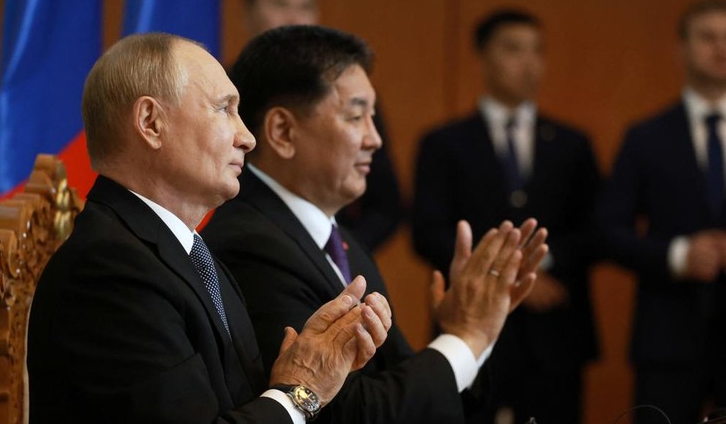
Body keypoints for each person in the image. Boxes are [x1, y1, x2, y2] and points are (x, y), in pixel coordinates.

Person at [26, 32, 395, 424]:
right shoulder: (108, 269)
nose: (248, 138)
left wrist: (315, 368)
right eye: (224, 109)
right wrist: (301, 391)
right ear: (151, 123)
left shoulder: (191, 254)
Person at [203, 24, 547, 423]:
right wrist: (466, 338)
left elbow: (404, 386)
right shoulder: (249, 245)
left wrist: (462, 333)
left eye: (374, 117)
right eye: (356, 116)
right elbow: (345, 411)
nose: (375, 139)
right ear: (282, 131)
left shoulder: (340, 238)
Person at [412, 10, 600, 424]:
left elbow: (596, 230)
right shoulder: (444, 143)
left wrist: (537, 265)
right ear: (483, 56)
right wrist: (503, 274)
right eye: (513, 49)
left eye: (538, 50)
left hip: (556, 332)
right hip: (471, 328)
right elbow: (427, 231)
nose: (529, 62)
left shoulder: (573, 143)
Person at [598, 0, 726, 424]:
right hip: (669, 336)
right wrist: (677, 255)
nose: (720, 48)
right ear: (682, 49)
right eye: (708, 37)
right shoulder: (646, 137)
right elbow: (609, 230)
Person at [241, 0, 403, 251]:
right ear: (248, 10)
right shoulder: (223, 88)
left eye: (305, 7)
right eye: (280, 4)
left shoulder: (353, 95)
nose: (294, 18)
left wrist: (334, 250)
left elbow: (386, 204)